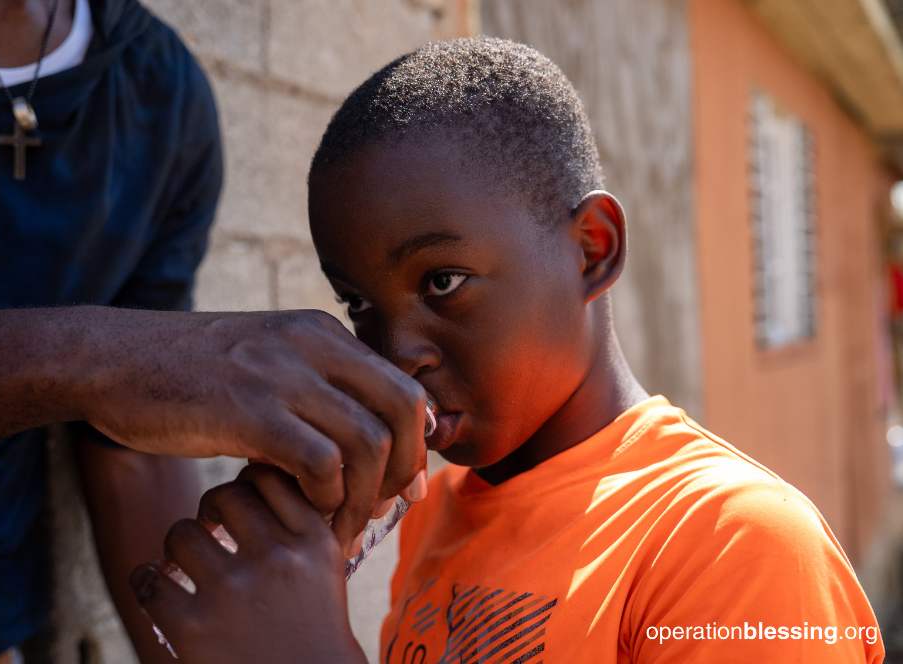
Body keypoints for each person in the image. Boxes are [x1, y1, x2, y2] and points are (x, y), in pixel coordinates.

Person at [132, 38, 886, 663]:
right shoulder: (437, 512)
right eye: (359, 305)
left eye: (443, 281)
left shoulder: (733, 543)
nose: (395, 351)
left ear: (591, 249)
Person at [0, 1, 427, 662]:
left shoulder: (161, 96)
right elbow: (121, 378)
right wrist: (101, 361)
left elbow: (125, 449)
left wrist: (221, 616)